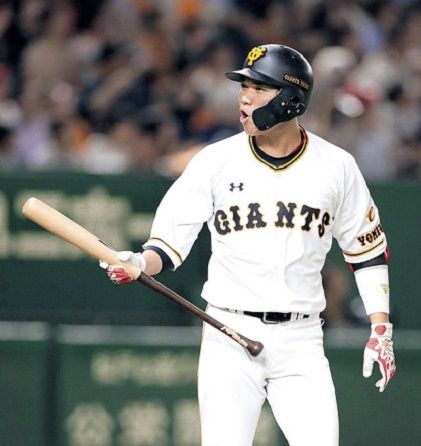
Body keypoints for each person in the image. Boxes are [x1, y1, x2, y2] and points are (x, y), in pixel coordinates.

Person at [101, 44, 396, 446]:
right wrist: (138, 262)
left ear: (291, 98)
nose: (244, 97)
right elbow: (166, 248)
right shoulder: (214, 161)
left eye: (259, 87)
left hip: (301, 339)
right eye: (244, 86)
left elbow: (367, 252)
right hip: (228, 333)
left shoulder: (336, 165)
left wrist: (380, 327)